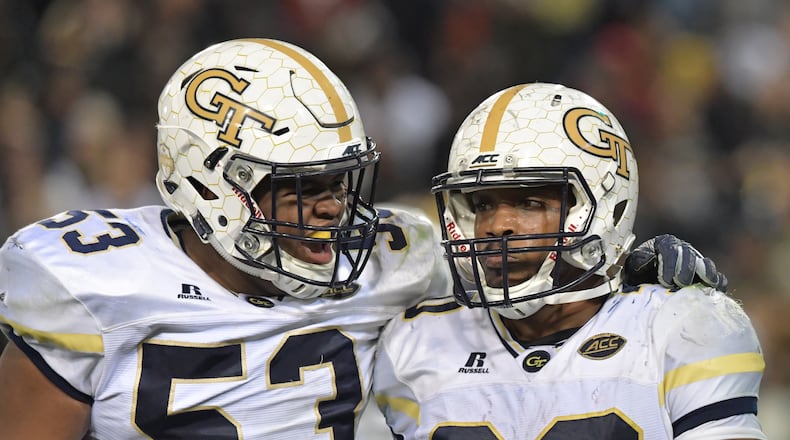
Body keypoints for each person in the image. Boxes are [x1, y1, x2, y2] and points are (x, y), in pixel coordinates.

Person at [0, 39, 727, 439]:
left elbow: (526, 265)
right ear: (212, 185)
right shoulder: (93, 280)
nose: (330, 212)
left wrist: (629, 264)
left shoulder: (395, 259)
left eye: (340, 182)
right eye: (298, 188)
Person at [373, 83, 766, 439]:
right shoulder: (409, 343)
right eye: (481, 204)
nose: (497, 225)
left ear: (605, 209)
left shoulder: (680, 326)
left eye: (529, 202)